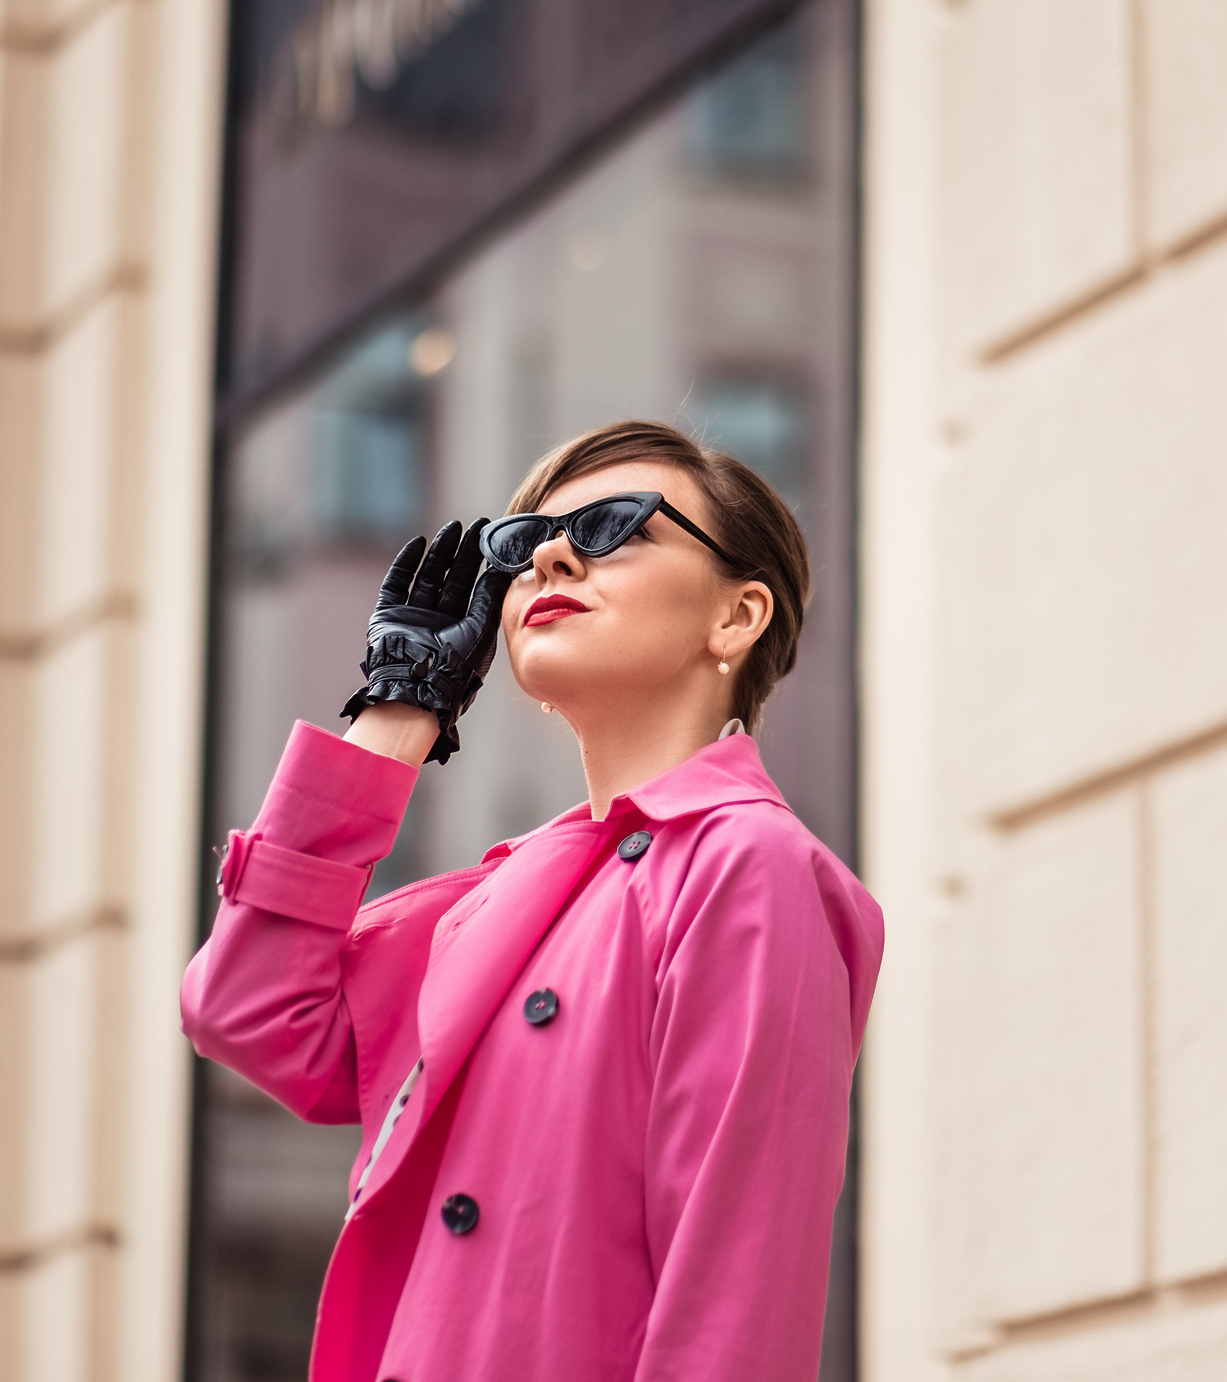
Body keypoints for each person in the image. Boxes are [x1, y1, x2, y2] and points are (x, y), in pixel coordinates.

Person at [181, 419, 884, 1382]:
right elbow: (252, 1015)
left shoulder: (745, 863)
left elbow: (733, 1308)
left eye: (616, 528)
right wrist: (399, 709)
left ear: (737, 615)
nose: (551, 554)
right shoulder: (512, 894)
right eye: (524, 545)